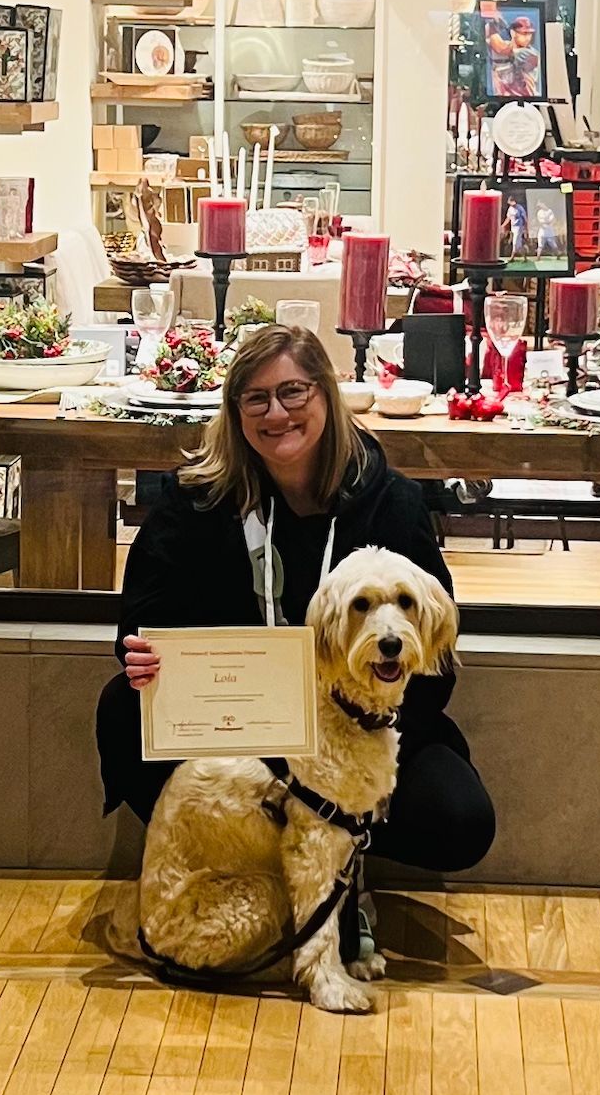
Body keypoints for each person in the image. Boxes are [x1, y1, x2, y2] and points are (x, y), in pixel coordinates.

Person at [96, 323, 496, 895]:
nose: (277, 413)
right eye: (256, 398)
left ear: (325, 394)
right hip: (237, 730)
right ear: (235, 411)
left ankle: (335, 862)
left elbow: (433, 653)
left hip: (357, 730)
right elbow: (143, 622)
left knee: (459, 820)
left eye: (292, 392)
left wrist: (354, 746)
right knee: (121, 709)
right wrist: (142, 656)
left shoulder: (392, 502)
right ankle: (246, 865)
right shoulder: (194, 501)